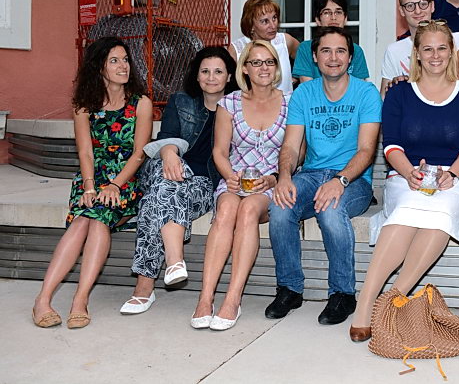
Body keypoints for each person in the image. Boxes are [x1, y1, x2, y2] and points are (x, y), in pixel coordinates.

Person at [349, 21, 459, 342]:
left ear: (451, 52)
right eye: (428, 49)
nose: (435, 55)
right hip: (406, 174)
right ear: (417, 54)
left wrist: (452, 174)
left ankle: (392, 300)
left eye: (442, 48)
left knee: (441, 213)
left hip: (458, 178)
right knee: (407, 209)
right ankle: (366, 300)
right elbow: (391, 144)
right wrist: (409, 171)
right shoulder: (399, 94)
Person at [32, 37, 153, 328]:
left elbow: (139, 153)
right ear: (99, 67)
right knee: (86, 219)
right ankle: (43, 300)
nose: (123, 66)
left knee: (96, 218)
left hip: (126, 180)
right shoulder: (84, 105)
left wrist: (115, 185)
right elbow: (85, 152)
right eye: (114, 61)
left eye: (125, 60)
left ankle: (80, 299)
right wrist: (89, 186)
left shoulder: (141, 103)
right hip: (91, 178)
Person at [267, 26, 382, 325]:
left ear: (350, 58)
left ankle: (343, 293)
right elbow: (291, 146)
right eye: (326, 51)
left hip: (353, 180)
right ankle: (290, 288)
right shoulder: (304, 94)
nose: (333, 58)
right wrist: (284, 176)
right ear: (315, 57)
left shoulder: (366, 93)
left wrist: (340, 181)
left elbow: (366, 150)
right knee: (280, 207)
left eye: (340, 51)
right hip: (312, 175)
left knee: (331, 209)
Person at [119, 47, 237, 315]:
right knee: (169, 175)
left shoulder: (237, 106)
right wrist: (170, 153)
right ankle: (174, 259)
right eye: (205, 71)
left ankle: (144, 288)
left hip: (203, 183)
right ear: (196, 75)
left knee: (158, 196)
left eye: (218, 72)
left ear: (229, 76)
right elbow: (167, 137)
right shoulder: (181, 101)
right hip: (168, 167)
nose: (211, 77)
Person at [190, 40, 288, 331]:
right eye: (256, 62)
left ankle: (233, 298)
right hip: (234, 179)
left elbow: (296, 152)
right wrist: (230, 175)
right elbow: (219, 151)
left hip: (269, 183)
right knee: (226, 211)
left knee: (247, 211)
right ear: (245, 68)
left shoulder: (290, 103)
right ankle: (205, 298)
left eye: (269, 62)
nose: (263, 68)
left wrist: (274, 178)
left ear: (276, 66)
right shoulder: (229, 103)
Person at [380, 0, 459, 95]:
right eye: (410, 6)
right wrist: (393, 89)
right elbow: (383, 98)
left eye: (423, 4)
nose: (418, 11)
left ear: (432, 6)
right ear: (402, 10)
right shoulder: (394, 51)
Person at [292, 0, 370, 82]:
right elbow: (307, 86)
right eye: (327, 12)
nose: (333, 18)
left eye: (338, 12)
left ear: (345, 18)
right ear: (318, 20)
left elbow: (359, 87)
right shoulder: (306, 48)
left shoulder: (356, 50)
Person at [229, 0, 298, 96]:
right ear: (251, 25)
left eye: (274, 18)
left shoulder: (285, 41)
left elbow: (306, 58)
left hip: (286, 104)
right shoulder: (237, 50)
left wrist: (294, 78)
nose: (273, 25)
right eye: (265, 21)